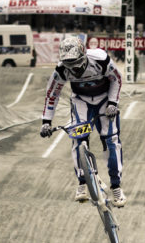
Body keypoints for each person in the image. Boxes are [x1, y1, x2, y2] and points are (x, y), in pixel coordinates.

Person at [40, 36, 127, 207]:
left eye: (76, 63)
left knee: (111, 140)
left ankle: (116, 186)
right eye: (68, 64)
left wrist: (112, 103)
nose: (73, 69)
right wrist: (46, 122)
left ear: (84, 55)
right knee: (78, 139)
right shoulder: (61, 70)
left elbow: (116, 78)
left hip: (104, 100)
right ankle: (82, 183)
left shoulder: (101, 59)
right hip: (81, 101)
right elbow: (52, 94)